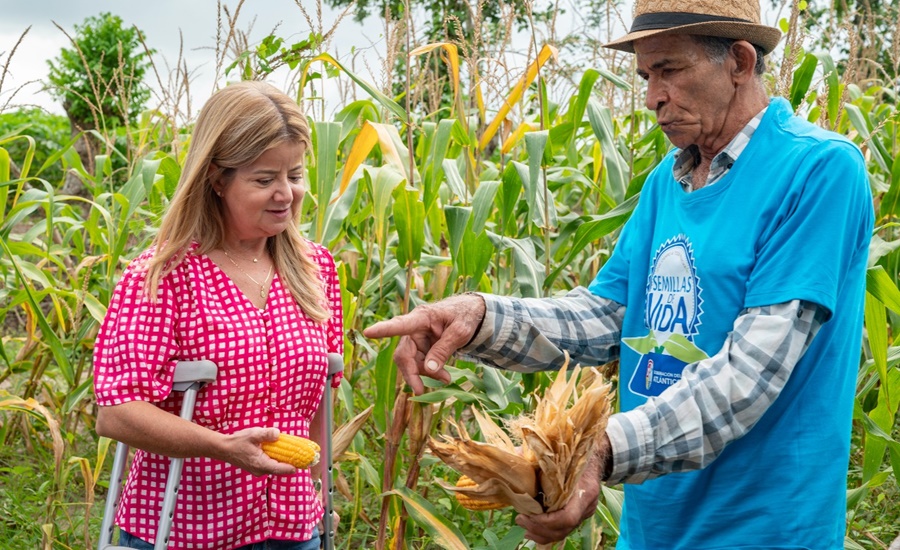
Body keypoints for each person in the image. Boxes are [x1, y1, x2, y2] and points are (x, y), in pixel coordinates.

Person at [363, 1, 874, 548]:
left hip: (762, 529)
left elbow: (750, 376)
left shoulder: (817, 170)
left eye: (669, 70)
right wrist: (477, 318)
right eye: (646, 75)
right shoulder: (668, 181)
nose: (653, 96)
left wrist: (597, 451)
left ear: (740, 62)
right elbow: (609, 315)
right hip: (651, 527)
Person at [93, 81, 343, 550]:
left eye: (295, 175)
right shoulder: (162, 275)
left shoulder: (316, 268)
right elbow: (117, 414)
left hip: (292, 525)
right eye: (264, 179)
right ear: (216, 178)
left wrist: (320, 485)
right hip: (185, 528)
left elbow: (319, 398)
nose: (286, 194)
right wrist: (223, 447)